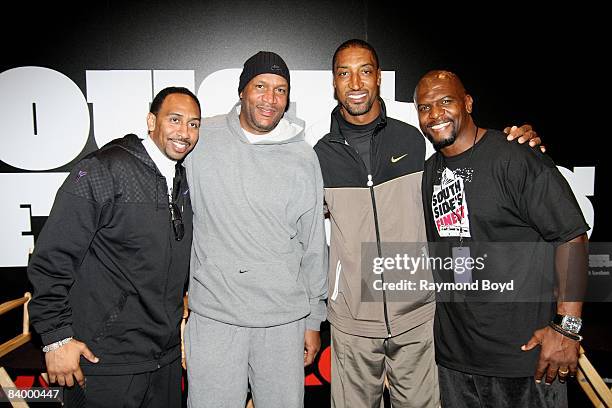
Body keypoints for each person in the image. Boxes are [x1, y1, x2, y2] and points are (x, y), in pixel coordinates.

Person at [313, 39, 541, 408]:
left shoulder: (416, 138)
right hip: (352, 322)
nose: (355, 83)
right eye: (344, 73)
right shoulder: (318, 156)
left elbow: (470, 147)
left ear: (379, 79)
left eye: (365, 71)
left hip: (418, 318)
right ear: (334, 83)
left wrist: (520, 141)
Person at [416, 70, 588, 407]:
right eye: (424, 107)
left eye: (445, 101)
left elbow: (572, 238)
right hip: (455, 364)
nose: (435, 114)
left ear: (467, 103)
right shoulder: (430, 171)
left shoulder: (517, 157)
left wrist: (567, 328)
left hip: (524, 361)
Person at [27, 87, 201, 407]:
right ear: (151, 121)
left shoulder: (184, 181)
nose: (185, 132)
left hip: (164, 360)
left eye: (194, 124)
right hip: (104, 361)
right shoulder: (103, 169)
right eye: (175, 120)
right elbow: (53, 256)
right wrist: (55, 338)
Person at [183, 51, 328, 408]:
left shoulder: (303, 156)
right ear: (242, 91)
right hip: (215, 316)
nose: (270, 98)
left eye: (280, 90)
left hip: (283, 320)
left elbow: (312, 243)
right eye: (261, 86)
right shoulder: (202, 139)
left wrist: (314, 318)